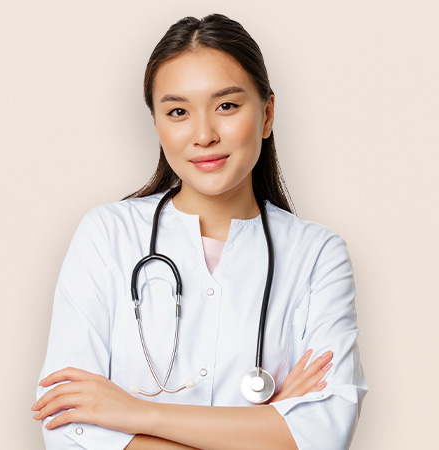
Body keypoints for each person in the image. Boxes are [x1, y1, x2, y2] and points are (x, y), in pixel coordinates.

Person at [31, 13, 367, 450]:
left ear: (266, 115)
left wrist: (136, 413)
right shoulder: (107, 235)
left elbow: (324, 434)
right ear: (157, 124)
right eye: (177, 111)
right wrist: (270, 426)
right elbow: (68, 425)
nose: (204, 134)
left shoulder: (316, 254)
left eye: (227, 105)